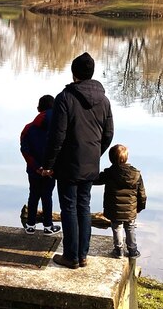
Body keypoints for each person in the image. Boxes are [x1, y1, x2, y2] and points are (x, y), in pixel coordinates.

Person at [39, 52, 114, 269]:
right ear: (91, 73)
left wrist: (48, 165)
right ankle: (83, 255)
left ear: (74, 74)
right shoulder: (104, 100)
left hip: (68, 165)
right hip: (90, 163)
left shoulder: (65, 98)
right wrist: (94, 154)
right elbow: (108, 134)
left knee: (69, 208)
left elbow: (57, 136)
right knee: (84, 206)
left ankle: (71, 256)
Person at [94, 144, 146, 258]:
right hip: (130, 209)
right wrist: (140, 207)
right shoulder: (136, 174)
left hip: (114, 209)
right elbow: (142, 194)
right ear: (126, 158)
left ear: (111, 159)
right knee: (130, 227)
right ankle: (133, 250)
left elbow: (96, 180)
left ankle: (119, 251)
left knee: (117, 227)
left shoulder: (109, 173)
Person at [20, 95, 61, 236]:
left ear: (39, 108)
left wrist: (37, 168)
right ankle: (48, 226)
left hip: (34, 171)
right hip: (51, 171)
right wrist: (51, 168)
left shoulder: (28, 128)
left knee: (33, 195)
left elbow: (24, 150)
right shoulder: (59, 129)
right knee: (47, 196)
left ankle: (30, 225)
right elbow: (61, 149)